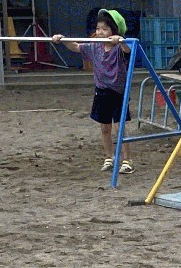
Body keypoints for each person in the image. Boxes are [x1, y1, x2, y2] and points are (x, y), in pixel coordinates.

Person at [53, 9, 132, 177]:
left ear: (114, 31)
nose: (100, 32)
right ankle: (109, 158)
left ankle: (127, 160)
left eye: (104, 29)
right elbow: (76, 47)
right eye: (98, 28)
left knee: (120, 128)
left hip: (118, 92)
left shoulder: (119, 48)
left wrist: (120, 40)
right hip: (101, 91)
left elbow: (128, 50)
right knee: (105, 128)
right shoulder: (95, 46)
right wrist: (63, 39)